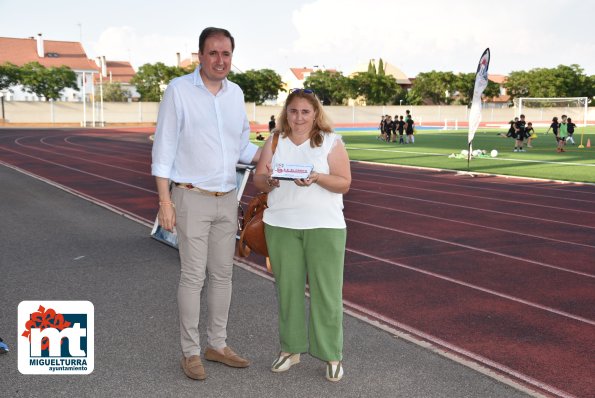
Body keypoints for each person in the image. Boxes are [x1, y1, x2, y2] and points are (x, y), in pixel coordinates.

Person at [151, 27, 261, 381]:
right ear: (200, 55)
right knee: (193, 276)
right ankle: (190, 351)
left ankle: (218, 344)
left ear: (232, 56)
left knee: (223, 275)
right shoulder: (179, 90)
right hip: (190, 197)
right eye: (213, 53)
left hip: (227, 198)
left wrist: (275, 153)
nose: (220, 60)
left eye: (226, 53)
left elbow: (242, 148)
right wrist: (165, 201)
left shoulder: (236, 94)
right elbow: (163, 148)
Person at [253, 88, 351, 382]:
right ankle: (290, 349)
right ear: (286, 113)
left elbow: (344, 182)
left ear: (316, 113)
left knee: (327, 292)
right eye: (293, 111)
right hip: (281, 224)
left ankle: (332, 355)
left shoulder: (331, 142)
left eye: (305, 112)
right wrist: (268, 181)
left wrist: (318, 177)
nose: (298, 117)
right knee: (288, 289)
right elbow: (259, 179)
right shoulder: (275, 139)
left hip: (325, 226)